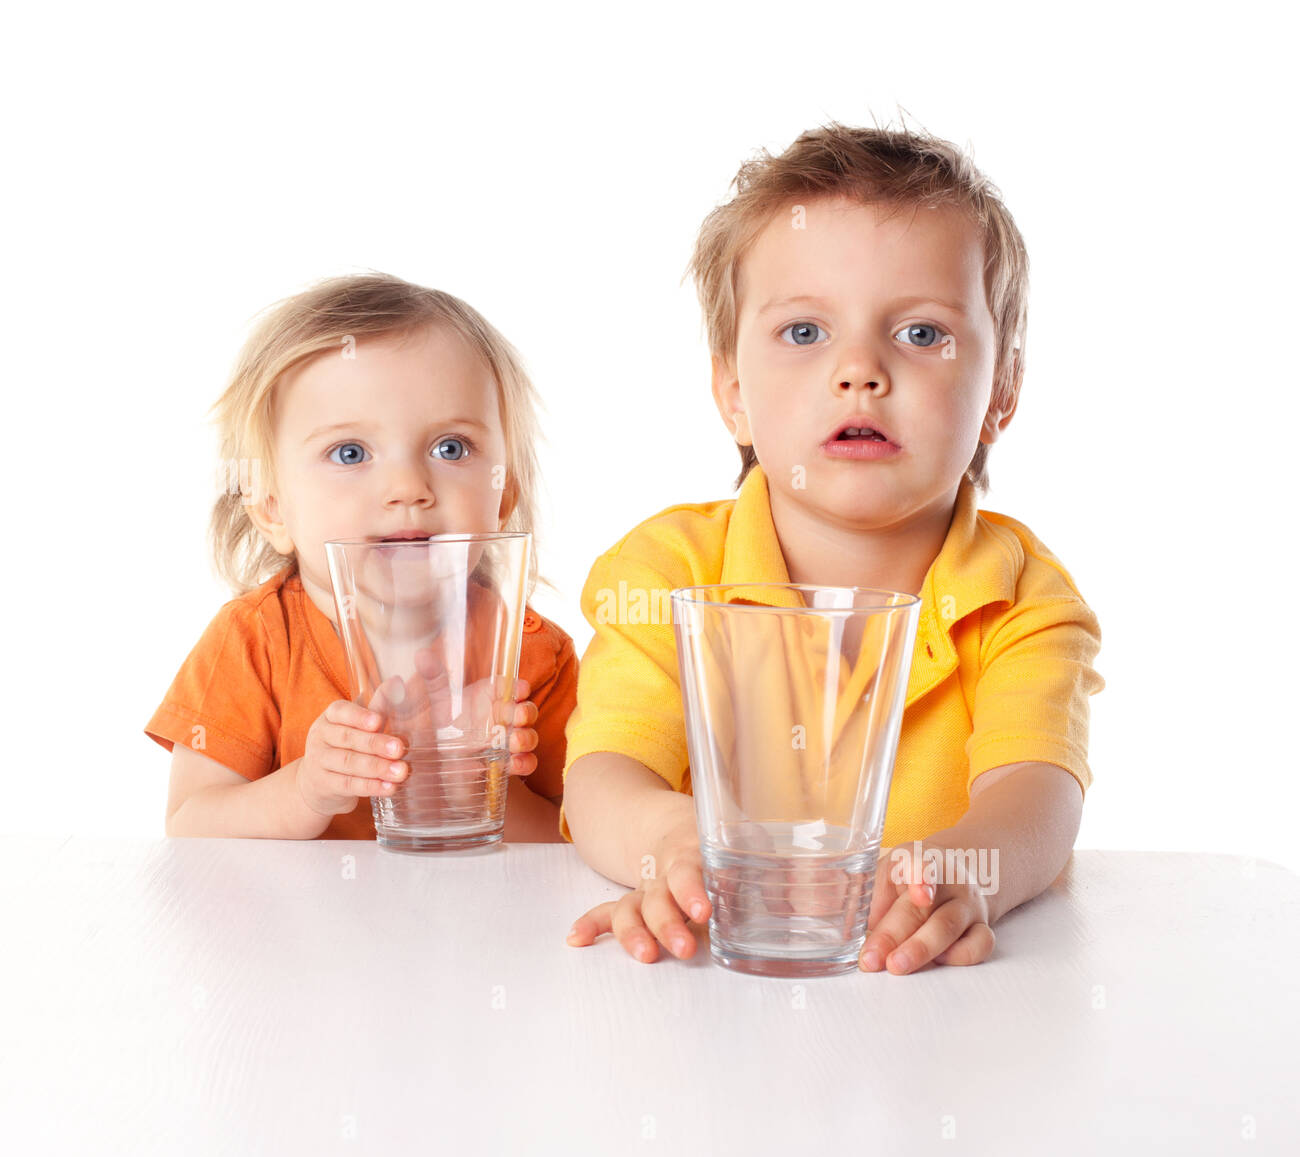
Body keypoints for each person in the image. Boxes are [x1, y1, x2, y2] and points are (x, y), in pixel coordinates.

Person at [562, 122, 1104, 972]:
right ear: (733, 394)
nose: (860, 370)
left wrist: (960, 873)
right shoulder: (667, 573)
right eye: (806, 333)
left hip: (932, 1011)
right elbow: (604, 770)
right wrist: (665, 840)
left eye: (921, 333)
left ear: (1001, 392)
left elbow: (1037, 790)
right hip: (715, 985)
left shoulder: (1022, 596)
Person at [145, 273, 576, 841]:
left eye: (451, 448)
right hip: (302, 931)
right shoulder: (255, 642)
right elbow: (190, 826)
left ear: (504, 497)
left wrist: (471, 779)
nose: (407, 487)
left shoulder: (535, 656)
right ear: (274, 508)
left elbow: (580, 845)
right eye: (350, 453)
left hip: (471, 929)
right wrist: (304, 790)